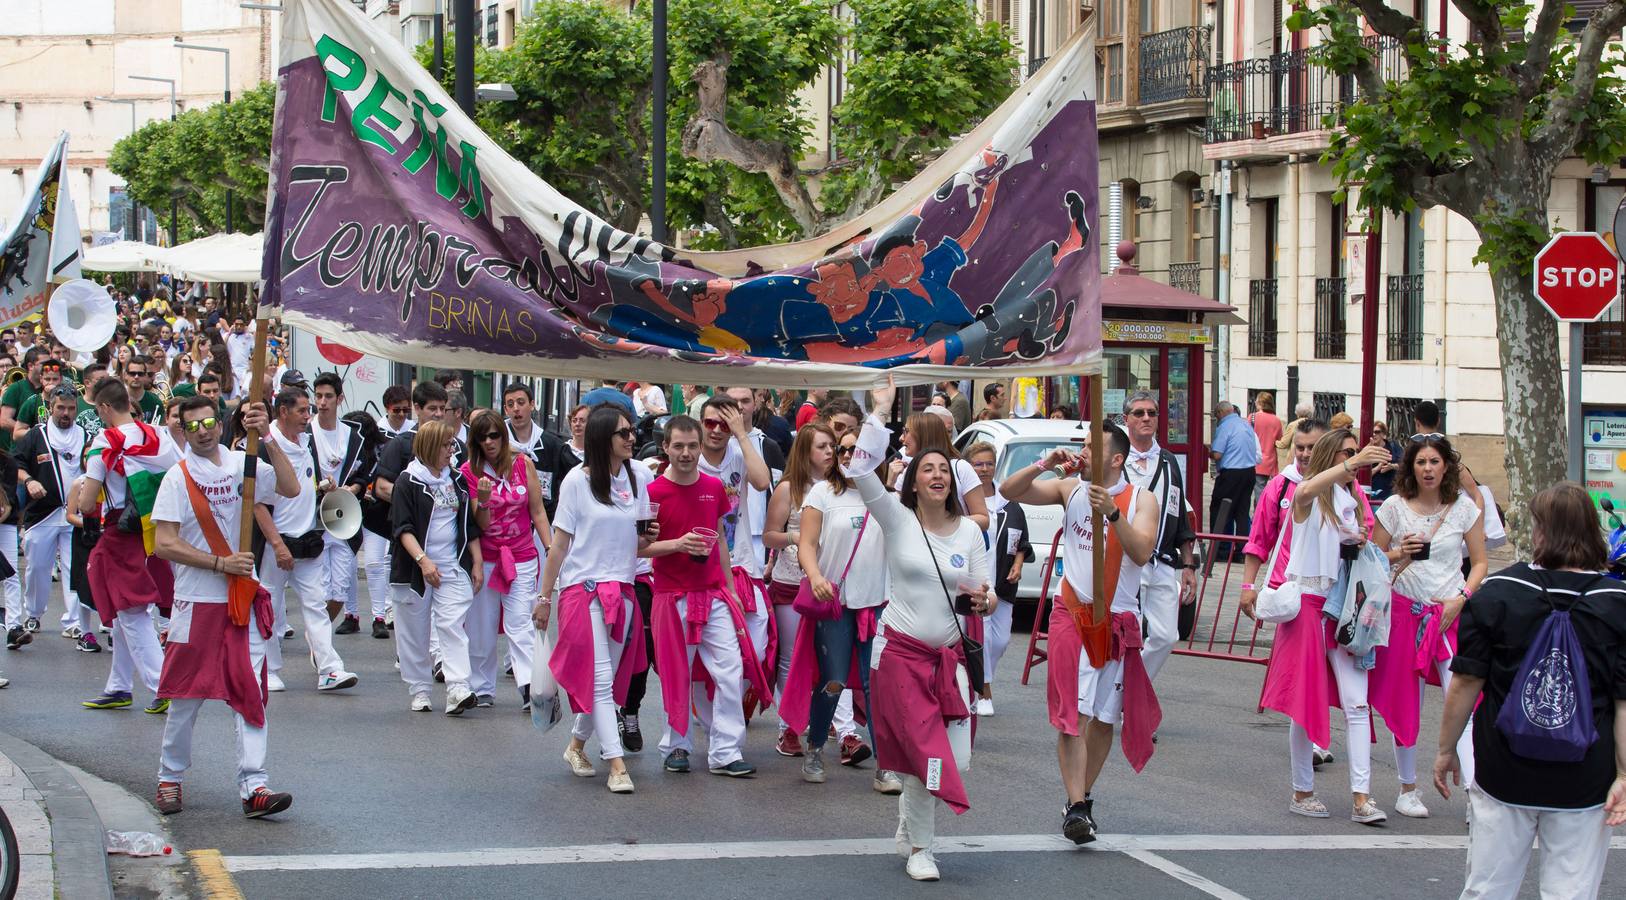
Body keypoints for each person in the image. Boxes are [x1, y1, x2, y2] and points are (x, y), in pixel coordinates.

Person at [1434, 483, 1626, 899]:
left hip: (1505, 768)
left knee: (1488, 888)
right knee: (1571, 891)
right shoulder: (1618, 602)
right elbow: (1624, 700)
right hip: (1585, 776)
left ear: (1540, 532)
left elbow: (1466, 681)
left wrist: (1447, 749)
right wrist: (1625, 773)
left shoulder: (1500, 593)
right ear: (1591, 530)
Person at [846, 383, 989, 882]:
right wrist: (880, 412)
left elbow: (981, 594)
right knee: (927, 752)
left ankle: (909, 823)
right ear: (912, 479)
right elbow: (860, 471)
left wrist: (987, 601)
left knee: (948, 756)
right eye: (927, 468)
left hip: (948, 661)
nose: (937, 475)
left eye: (944, 470)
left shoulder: (971, 532)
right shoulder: (896, 518)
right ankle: (922, 850)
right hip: (900, 655)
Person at [1002, 420, 1160, 845]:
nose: (1083, 451)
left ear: (1117, 458)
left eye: (1093, 446)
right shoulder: (1069, 488)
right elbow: (1009, 491)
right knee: (1074, 714)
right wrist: (1044, 463)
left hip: (1119, 619)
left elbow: (1142, 552)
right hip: (1071, 612)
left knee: (1104, 718)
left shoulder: (1142, 500)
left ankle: (1082, 799)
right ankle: (1074, 806)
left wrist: (1112, 511)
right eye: (1083, 445)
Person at [150, 395, 301, 819]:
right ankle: (170, 777)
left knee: (250, 690)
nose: (203, 430)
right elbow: (164, 543)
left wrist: (268, 434)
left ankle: (255, 785)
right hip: (196, 601)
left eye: (210, 421)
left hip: (242, 600)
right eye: (192, 424)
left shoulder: (242, 463)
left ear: (221, 423)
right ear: (182, 428)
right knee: (184, 696)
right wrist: (219, 562)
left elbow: (290, 488)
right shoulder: (177, 478)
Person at [1252, 428, 1391, 824]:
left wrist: (1366, 543)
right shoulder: (1306, 494)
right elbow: (1305, 493)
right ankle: (1302, 790)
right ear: (1334, 456)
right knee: (1303, 705)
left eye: (1357, 454)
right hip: (1309, 607)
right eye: (1347, 454)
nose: (1356, 459)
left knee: (1357, 703)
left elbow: (1358, 554)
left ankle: (1362, 798)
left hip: (1345, 608)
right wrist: (1353, 463)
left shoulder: (1353, 500)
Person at [1368, 435, 1486, 818]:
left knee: (1463, 699)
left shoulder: (1464, 509)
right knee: (1406, 702)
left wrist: (1462, 598)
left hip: (1450, 614)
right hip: (1404, 614)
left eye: (1435, 461)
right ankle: (1407, 789)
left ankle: (1474, 794)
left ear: (1446, 466)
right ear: (1410, 468)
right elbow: (1373, 559)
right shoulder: (1393, 508)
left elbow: (1481, 563)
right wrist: (1400, 551)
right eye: (1421, 462)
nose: (1429, 469)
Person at [535, 405, 650, 794]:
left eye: (632, 431)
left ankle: (576, 745)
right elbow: (559, 545)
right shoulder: (575, 482)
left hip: (624, 590)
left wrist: (662, 542)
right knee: (601, 679)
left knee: (609, 680)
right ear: (604, 439)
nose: (631, 437)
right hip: (582, 591)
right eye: (623, 433)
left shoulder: (638, 478)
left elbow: (641, 540)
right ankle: (616, 764)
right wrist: (543, 596)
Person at [640, 414, 762, 776]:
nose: (686, 452)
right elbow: (638, 549)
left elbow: (721, 539)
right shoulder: (652, 494)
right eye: (678, 446)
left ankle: (726, 751)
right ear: (665, 448)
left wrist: (729, 587)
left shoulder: (713, 488)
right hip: (670, 596)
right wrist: (676, 544)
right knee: (676, 673)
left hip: (712, 595)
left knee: (730, 670)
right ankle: (676, 745)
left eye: (692, 446)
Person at [774, 423, 877, 774]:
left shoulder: (887, 497)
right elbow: (806, 543)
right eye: (842, 449)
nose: (847, 456)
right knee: (832, 681)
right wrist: (816, 576)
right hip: (835, 604)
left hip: (877, 604)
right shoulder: (821, 495)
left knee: (874, 683)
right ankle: (816, 746)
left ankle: (886, 766)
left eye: (856, 450)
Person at [77, 377, 181, 712]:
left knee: (131, 610)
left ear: (105, 408)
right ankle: (119, 686)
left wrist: (82, 500)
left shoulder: (105, 440)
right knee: (125, 612)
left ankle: (161, 683)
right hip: (153, 527)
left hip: (121, 530)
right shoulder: (157, 435)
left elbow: (88, 499)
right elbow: (181, 473)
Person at [254, 387, 359, 694]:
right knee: (269, 609)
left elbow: (304, 484)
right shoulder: (263, 446)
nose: (308, 416)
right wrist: (276, 544)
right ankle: (268, 670)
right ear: (283, 412)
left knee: (316, 604)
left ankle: (329, 669)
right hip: (276, 545)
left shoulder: (307, 441)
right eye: (301, 410)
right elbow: (257, 504)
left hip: (307, 541)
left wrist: (324, 486)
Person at [389, 420, 485, 714]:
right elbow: (402, 528)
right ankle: (419, 688)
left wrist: (477, 561)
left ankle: (457, 687)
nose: (451, 450)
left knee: (451, 624)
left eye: (452, 444)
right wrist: (423, 561)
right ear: (430, 446)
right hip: (415, 567)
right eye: (445, 445)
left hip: (452, 565)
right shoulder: (408, 481)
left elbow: (468, 523)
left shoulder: (456, 479)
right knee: (414, 632)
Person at [461, 409, 550, 708]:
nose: (489, 442)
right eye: (482, 437)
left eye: (494, 435)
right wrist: (483, 502)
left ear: (503, 434)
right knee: (482, 626)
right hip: (485, 557)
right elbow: (480, 524)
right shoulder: (469, 471)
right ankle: (482, 686)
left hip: (522, 554)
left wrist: (551, 549)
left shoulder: (523, 464)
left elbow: (537, 511)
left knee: (520, 622)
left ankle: (528, 686)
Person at [695, 395, 774, 716]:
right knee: (703, 650)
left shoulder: (740, 455)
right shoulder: (687, 457)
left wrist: (741, 434)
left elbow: (762, 481)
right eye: (709, 423)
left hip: (742, 562)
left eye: (723, 424)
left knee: (755, 642)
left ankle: (732, 699)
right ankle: (710, 711)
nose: (716, 430)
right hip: (699, 569)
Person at [1118, 391, 1199, 682]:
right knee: (1131, 633)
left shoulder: (1167, 460)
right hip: (1125, 561)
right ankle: (1126, 703)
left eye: (1151, 413)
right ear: (1126, 419)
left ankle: (1130, 689)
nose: (1146, 418)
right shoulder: (1117, 459)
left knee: (1166, 635)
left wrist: (1188, 565)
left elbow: (1179, 515)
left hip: (1162, 560)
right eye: (1139, 413)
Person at [12, 385, 92, 644]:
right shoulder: (36, 436)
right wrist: (29, 482)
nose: (66, 413)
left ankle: (74, 622)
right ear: (50, 408)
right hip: (42, 513)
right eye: (60, 408)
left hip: (74, 515)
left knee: (74, 569)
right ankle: (34, 612)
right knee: (37, 568)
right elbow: (17, 465)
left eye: (71, 408)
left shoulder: (86, 436)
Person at [964, 441, 1030, 716]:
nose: (984, 469)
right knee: (985, 638)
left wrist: (1018, 563)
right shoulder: (964, 502)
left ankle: (974, 677)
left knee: (1001, 640)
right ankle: (984, 690)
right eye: (978, 464)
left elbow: (1022, 540)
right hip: (977, 582)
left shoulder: (1008, 502)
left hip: (1003, 584)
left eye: (989, 463)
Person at [309, 374, 375, 637]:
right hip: (312, 520)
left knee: (340, 588)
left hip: (344, 517)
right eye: (318, 396)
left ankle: (318, 635)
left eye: (328, 397)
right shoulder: (306, 433)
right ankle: (320, 643)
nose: (322, 402)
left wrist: (353, 489)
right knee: (317, 589)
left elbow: (364, 472)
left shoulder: (352, 435)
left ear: (340, 399)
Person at [886, 412, 989, 531]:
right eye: (928, 470)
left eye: (906, 431)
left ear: (924, 435)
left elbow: (983, 519)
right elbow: (892, 515)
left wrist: (944, 523)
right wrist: (890, 481)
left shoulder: (961, 468)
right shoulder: (908, 471)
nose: (901, 438)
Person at [1208, 401, 1260, 559]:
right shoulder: (1246, 425)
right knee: (1242, 512)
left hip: (1231, 473)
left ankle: (1221, 550)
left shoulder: (1225, 426)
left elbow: (1217, 454)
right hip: (1249, 473)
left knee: (1220, 509)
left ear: (1220, 413)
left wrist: (1208, 451)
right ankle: (1242, 551)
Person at [1250, 392, 1282, 491]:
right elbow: (1279, 439)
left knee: (1258, 490)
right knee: (1263, 488)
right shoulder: (1276, 420)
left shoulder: (1252, 417)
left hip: (1254, 458)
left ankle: (1261, 507)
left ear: (1260, 403)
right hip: (1270, 460)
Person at [1366, 421, 1403, 502]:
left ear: (1383, 434)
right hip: (1374, 494)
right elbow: (1362, 476)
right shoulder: (1367, 450)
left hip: (1391, 492)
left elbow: (1404, 466)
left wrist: (1391, 466)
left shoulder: (1393, 447)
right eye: (1372, 432)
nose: (1374, 434)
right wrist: (1378, 467)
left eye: (1377, 432)